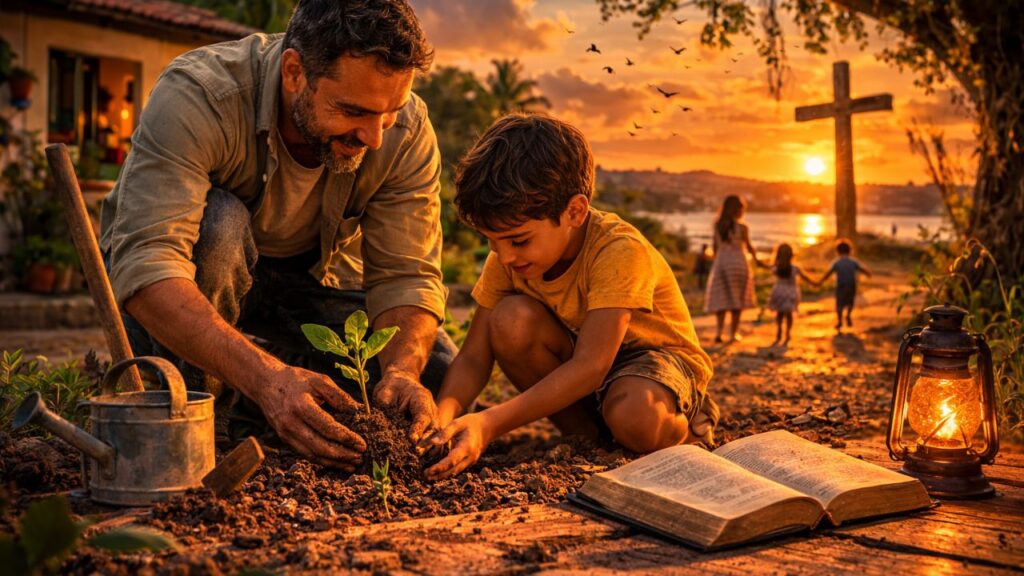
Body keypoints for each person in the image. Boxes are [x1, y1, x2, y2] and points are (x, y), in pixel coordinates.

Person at [99, 0, 456, 471]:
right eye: (353, 111)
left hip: (305, 282)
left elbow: (407, 277)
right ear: (294, 73)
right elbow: (149, 266)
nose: (373, 137)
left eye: (387, 114)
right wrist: (267, 379)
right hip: (198, 275)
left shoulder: (405, 131)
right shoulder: (200, 95)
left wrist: (401, 371)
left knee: (437, 378)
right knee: (220, 227)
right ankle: (211, 417)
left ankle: (267, 394)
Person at [419, 114, 718, 480]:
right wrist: (441, 421)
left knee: (634, 416)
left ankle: (688, 430)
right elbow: (473, 357)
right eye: (491, 241)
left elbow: (592, 366)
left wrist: (490, 423)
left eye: (519, 239)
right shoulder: (508, 258)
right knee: (510, 320)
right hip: (583, 365)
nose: (505, 255)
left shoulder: (618, 250)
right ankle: (593, 441)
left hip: (651, 363)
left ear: (574, 211)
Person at [704, 195, 766, 343]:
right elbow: (750, 248)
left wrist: (708, 256)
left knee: (722, 299)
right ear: (738, 210)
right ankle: (733, 334)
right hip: (739, 264)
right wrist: (759, 261)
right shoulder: (743, 228)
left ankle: (719, 333)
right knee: (737, 300)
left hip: (723, 263)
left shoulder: (718, 225)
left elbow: (715, 248)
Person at [817, 239, 872, 332]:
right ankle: (848, 315)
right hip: (851, 285)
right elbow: (861, 269)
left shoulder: (837, 262)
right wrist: (868, 274)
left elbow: (829, 273)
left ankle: (839, 321)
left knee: (839, 304)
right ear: (849, 250)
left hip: (841, 286)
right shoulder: (853, 261)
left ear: (838, 251)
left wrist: (820, 282)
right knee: (850, 302)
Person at [766, 243, 815, 345]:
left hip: (778, 292)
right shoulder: (794, 268)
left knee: (779, 314)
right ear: (791, 255)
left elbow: (769, 269)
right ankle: (788, 333)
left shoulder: (777, 267)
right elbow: (805, 278)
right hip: (791, 293)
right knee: (789, 315)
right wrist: (815, 283)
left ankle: (779, 331)